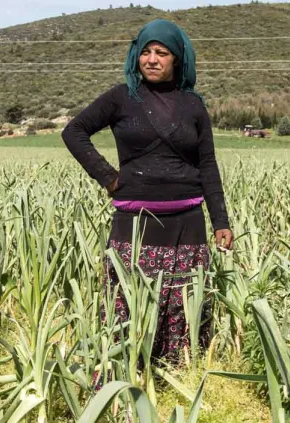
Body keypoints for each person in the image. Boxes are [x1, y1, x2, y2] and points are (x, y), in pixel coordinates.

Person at [61, 19, 232, 365]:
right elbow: (74, 131)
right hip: (135, 226)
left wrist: (220, 221)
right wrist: (108, 177)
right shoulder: (121, 97)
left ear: (177, 59)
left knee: (182, 304)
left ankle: (179, 376)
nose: (152, 59)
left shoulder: (193, 106)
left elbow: (208, 166)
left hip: (188, 225)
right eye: (146, 52)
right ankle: (126, 375)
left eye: (162, 52)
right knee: (128, 305)